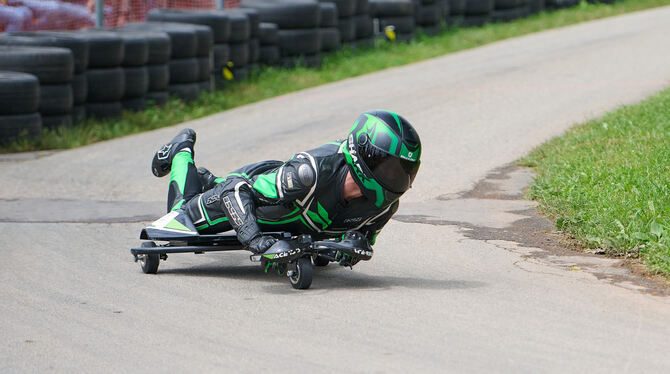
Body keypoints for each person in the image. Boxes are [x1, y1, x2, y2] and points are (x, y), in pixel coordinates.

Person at [148, 110, 422, 255]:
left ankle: (206, 179)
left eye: (404, 171)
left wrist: (348, 251)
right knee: (180, 217)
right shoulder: (309, 172)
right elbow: (234, 193)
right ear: (364, 155)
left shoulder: (384, 207)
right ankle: (181, 150)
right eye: (389, 168)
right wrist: (254, 239)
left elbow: (358, 243)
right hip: (252, 187)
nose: (398, 179)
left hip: (278, 203)